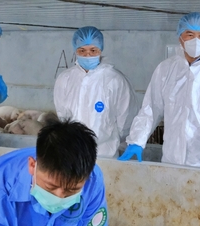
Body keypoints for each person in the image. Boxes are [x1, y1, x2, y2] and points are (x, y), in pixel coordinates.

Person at [119, 12, 200, 171]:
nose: (196, 40)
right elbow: (151, 109)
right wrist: (136, 140)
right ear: (180, 38)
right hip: (171, 159)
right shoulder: (166, 69)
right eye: (190, 34)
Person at [53, 26, 137, 158]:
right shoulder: (65, 79)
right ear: (75, 50)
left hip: (104, 154)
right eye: (82, 50)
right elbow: (63, 115)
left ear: (100, 49)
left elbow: (126, 119)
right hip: (72, 154)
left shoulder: (115, 80)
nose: (88, 55)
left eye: (93, 50)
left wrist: (108, 139)